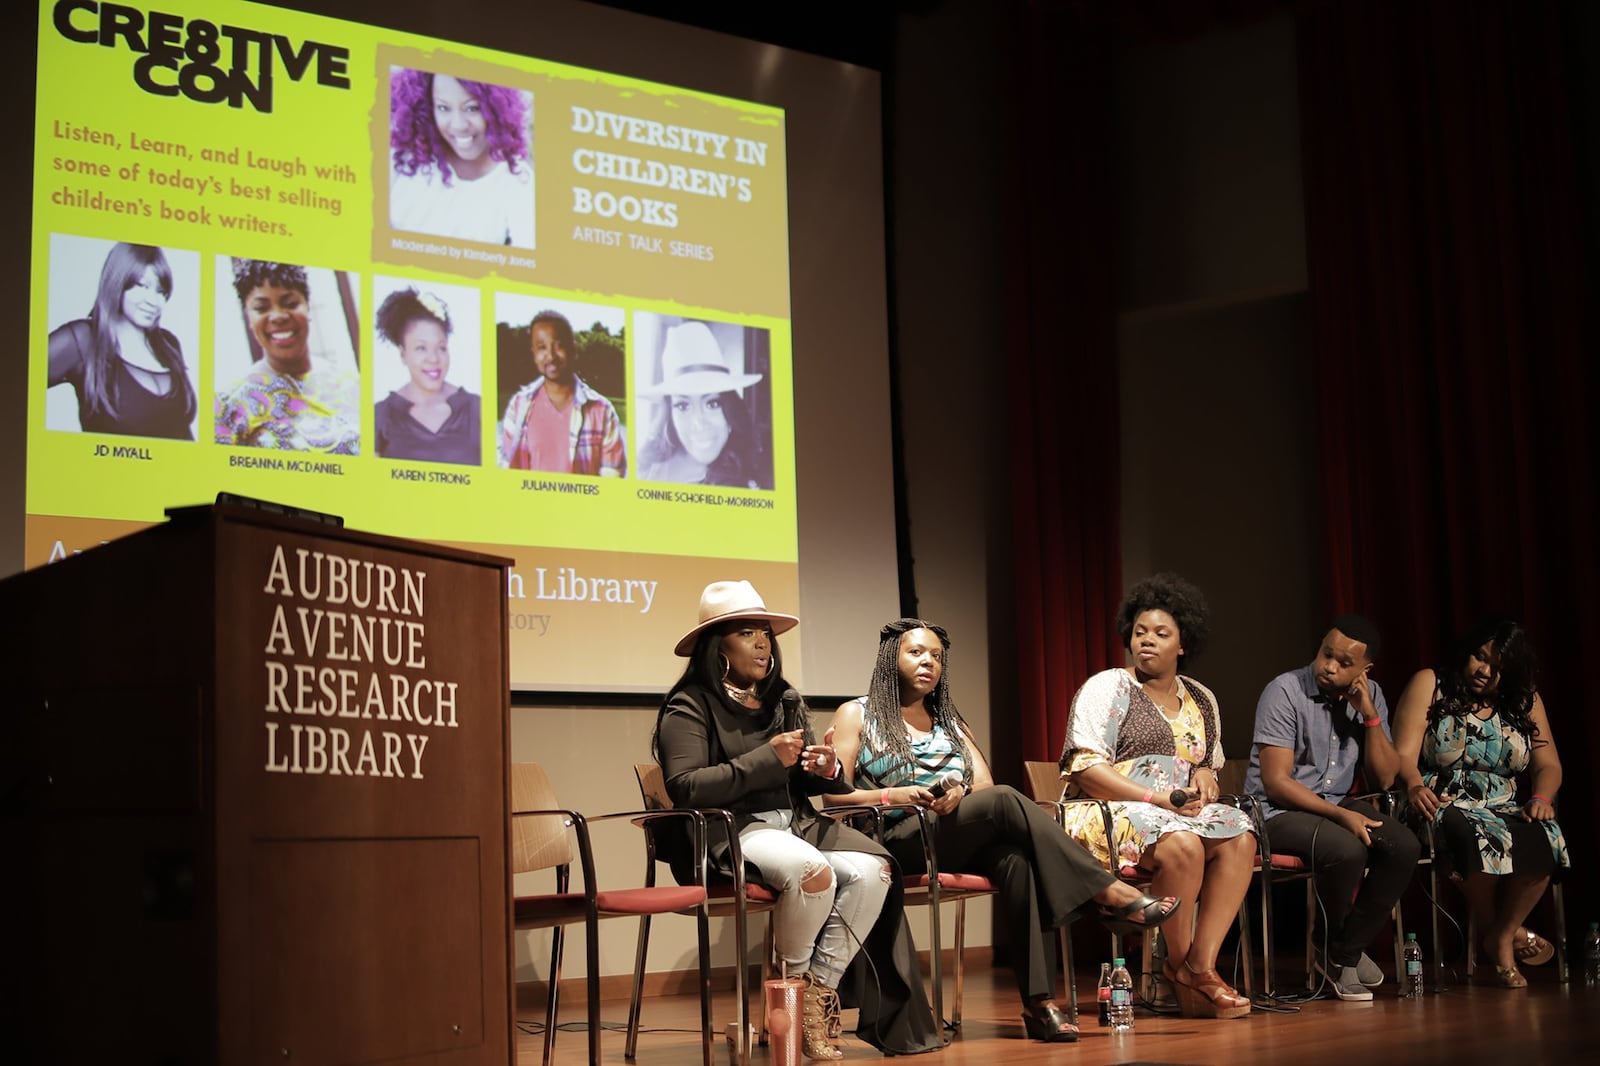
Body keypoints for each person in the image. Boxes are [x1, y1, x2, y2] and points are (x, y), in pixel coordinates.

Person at [827, 619, 1179, 1043]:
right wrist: (903, 794)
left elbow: (983, 788)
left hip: (946, 834)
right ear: (891, 658)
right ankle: (1108, 892)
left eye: (936, 657)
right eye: (916, 652)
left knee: (1017, 861)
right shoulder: (856, 713)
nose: (928, 663)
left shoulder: (949, 722)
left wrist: (956, 792)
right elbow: (834, 800)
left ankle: (1039, 1004)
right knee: (1009, 800)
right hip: (892, 841)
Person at [653, 582, 939, 1059]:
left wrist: (824, 768)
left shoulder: (782, 698)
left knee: (876, 870)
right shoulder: (690, 705)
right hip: (732, 831)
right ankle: (785, 991)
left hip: (795, 824)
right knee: (813, 873)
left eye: (765, 633)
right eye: (747, 633)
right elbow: (686, 786)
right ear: (716, 645)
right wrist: (767, 758)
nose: (763, 644)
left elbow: (803, 783)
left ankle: (811, 999)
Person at [1057, 572, 1258, 1019]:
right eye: (1140, 631)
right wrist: (1154, 799)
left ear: (1183, 645)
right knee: (1182, 844)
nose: (1146, 641)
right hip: (1107, 809)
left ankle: (1200, 966)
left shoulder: (1202, 698)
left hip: (1177, 812)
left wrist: (1206, 774)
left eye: (1161, 634)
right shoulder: (1109, 687)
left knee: (1241, 836)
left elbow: (1206, 762)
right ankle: (1179, 967)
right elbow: (1087, 769)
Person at [1243, 616, 1421, 1001]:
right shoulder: (1285, 691)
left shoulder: (1369, 694)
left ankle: (1342, 952)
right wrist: (1342, 815)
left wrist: (1370, 714)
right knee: (1347, 848)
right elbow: (1276, 782)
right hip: (1274, 813)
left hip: (1335, 805)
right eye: (1326, 655)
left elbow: (1386, 777)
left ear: (1364, 670)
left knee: (1404, 846)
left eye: (1343, 663)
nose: (1328, 667)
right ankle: (1333, 951)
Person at [1391, 617, 1568, 988]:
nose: (1484, 672)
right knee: (1470, 831)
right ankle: (1504, 935)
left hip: (1504, 803)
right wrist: (1412, 786)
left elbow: (1548, 764)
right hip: (1437, 799)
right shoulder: (1432, 683)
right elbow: (1402, 755)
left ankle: (1502, 934)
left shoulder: (1525, 699)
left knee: (1545, 834)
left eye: (1498, 667)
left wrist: (1540, 798)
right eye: (1479, 657)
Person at [48, 242, 196, 440]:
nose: (154, 301)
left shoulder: (168, 344)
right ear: (117, 281)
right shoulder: (82, 340)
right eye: (143, 286)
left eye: (160, 291)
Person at [214, 260, 360, 454]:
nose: (277, 316)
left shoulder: (352, 385)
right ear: (248, 317)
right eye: (261, 308)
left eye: (290, 304)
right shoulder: (229, 404)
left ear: (308, 306)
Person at [389, 68, 535, 247]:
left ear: (496, 109)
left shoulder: (518, 181)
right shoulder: (402, 155)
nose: (458, 125)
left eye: (472, 109)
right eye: (443, 108)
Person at [638, 321, 769, 489]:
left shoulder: (754, 482)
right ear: (669, 415)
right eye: (683, 406)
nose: (699, 423)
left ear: (731, 413)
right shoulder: (647, 471)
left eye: (712, 404)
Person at [496, 310, 626, 475]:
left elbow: (612, 476)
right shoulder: (519, 405)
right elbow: (506, 468)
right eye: (541, 347)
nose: (550, 356)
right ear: (534, 354)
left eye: (559, 345)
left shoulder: (602, 410)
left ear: (573, 348)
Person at [373, 287, 481, 465]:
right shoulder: (380, 416)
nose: (433, 358)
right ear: (403, 354)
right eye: (421, 348)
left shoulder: (476, 408)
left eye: (441, 348)